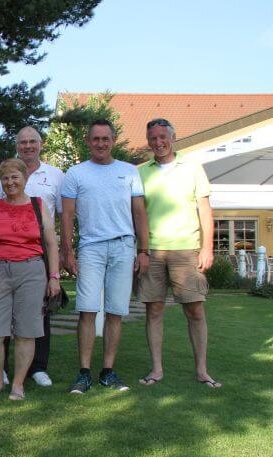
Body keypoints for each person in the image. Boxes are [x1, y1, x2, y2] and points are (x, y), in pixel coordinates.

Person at [60, 119, 150, 394]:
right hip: (91, 248)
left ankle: (108, 372)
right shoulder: (75, 173)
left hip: (123, 246)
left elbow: (139, 213)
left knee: (115, 312)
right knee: (87, 310)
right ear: (88, 141)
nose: (101, 143)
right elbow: (67, 215)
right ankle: (84, 373)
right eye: (96, 139)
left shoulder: (130, 171)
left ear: (113, 140)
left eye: (105, 138)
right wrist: (67, 251)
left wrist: (143, 250)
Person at [136, 118, 220, 388]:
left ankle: (202, 371)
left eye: (163, 137)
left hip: (186, 250)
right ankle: (156, 369)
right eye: (153, 138)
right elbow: (138, 214)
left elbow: (205, 210)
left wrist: (207, 248)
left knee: (195, 311)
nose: (158, 142)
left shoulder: (192, 167)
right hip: (153, 251)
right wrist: (141, 250)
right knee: (154, 310)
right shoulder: (141, 172)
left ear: (173, 138)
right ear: (148, 141)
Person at [0, 159, 60, 400]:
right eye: (5, 178)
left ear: (25, 178)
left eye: (15, 177)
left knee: (26, 332)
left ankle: (18, 385)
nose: (10, 182)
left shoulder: (38, 205)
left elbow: (51, 244)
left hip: (32, 271)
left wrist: (54, 277)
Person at [0, 126, 64, 387]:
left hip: (39, 250)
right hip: (8, 251)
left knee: (38, 313)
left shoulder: (55, 175)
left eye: (33, 141)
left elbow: (62, 215)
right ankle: (2, 369)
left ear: (41, 144)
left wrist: (59, 261)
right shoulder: (2, 175)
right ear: (17, 146)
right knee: (3, 314)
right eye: (23, 142)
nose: (28, 146)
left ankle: (38, 367)